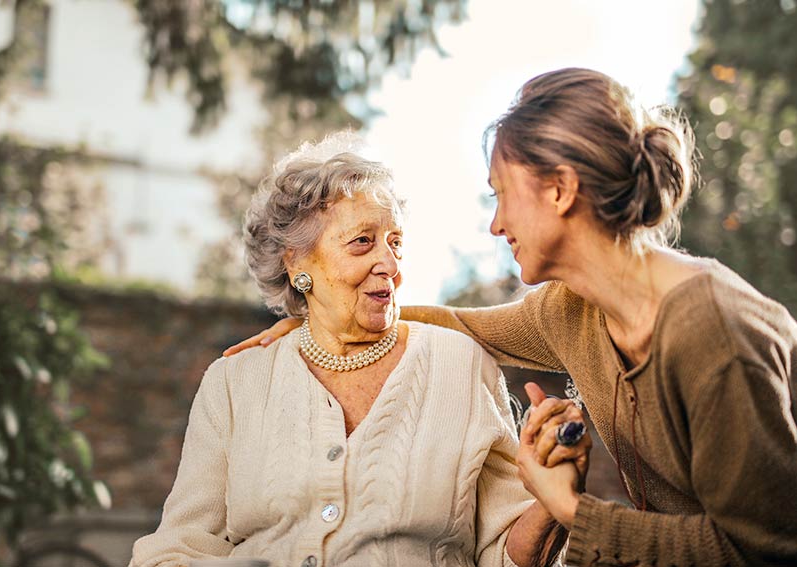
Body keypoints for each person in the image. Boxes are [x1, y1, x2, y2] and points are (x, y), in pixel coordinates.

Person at [224, 69, 797, 566]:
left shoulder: (713, 333)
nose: (496, 225)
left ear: (560, 190)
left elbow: (763, 549)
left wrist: (570, 508)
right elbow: (462, 324)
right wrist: (322, 321)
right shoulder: (571, 310)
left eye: (501, 194)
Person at [130, 133, 592, 567]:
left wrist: (553, 501)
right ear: (297, 262)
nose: (389, 265)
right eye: (363, 243)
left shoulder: (462, 366)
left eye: (396, 243)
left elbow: (504, 553)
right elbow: (178, 547)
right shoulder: (235, 382)